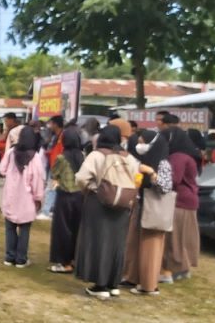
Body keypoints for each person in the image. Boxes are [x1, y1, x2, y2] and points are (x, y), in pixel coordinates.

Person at [74, 125, 139, 299]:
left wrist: (90, 188)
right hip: (123, 204)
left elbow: (81, 177)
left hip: (99, 203)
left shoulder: (97, 155)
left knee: (98, 241)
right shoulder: (128, 157)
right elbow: (136, 177)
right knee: (117, 243)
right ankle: (113, 284)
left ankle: (100, 285)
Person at [122, 130, 172, 296]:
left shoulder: (163, 163)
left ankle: (149, 285)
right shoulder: (143, 160)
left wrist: (151, 173)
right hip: (140, 205)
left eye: (143, 141)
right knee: (133, 244)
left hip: (154, 209)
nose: (139, 144)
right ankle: (131, 277)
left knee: (151, 248)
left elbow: (166, 186)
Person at [0, 126, 45, 268]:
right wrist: (38, 198)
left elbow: (1, 169)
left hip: (11, 196)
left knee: (10, 228)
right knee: (24, 230)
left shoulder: (11, 152)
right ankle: (21, 259)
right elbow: (37, 179)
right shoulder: (35, 157)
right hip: (27, 199)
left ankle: (9, 257)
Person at [160, 127, 201, 283]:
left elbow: (173, 179)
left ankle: (172, 270)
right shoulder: (188, 155)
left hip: (180, 201)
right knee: (185, 238)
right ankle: (184, 268)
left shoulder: (177, 157)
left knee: (175, 238)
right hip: (189, 200)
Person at [47, 127, 84, 274]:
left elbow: (54, 174)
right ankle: (75, 259)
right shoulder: (81, 155)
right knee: (76, 229)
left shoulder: (62, 158)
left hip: (65, 196)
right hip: (80, 196)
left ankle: (65, 262)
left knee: (63, 230)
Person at [39, 115, 65, 220]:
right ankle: (51, 209)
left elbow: (61, 151)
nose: (50, 126)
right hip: (53, 164)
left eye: (51, 123)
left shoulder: (62, 136)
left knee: (51, 188)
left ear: (55, 124)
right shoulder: (56, 136)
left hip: (57, 166)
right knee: (54, 188)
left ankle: (46, 211)